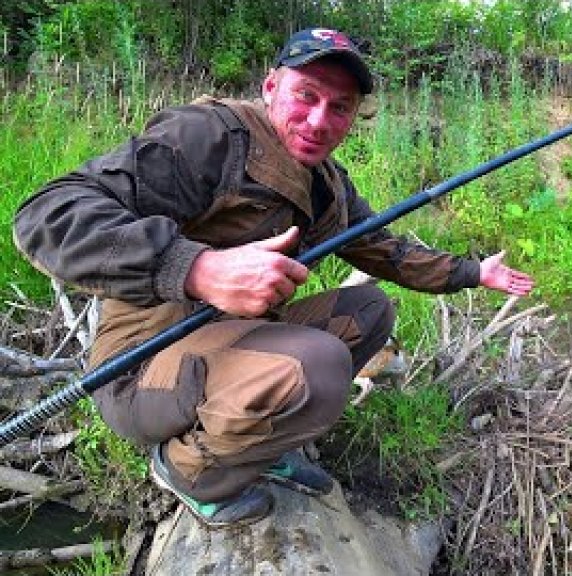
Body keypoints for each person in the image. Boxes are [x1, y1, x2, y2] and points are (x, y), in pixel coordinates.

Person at [13, 27, 534, 528]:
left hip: (232, 344)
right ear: (270, 86)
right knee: (321, 365)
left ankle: (257, 443)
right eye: (305, 95)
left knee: (371, 311)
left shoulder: (328, 182)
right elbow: (48, 215)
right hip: (142, 368)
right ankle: (188, 470)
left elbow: (383, 248)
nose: (319, 120)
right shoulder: (209, 136)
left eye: (340, 107)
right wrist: (195, 268)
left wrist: (473, 272)